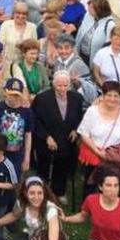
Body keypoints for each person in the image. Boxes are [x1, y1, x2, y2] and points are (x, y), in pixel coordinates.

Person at [77, 81, 120, 197]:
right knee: (90, 186)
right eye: (109, 95)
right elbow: (84, 134)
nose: (112, 99)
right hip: (93, 155)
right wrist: (99, 152)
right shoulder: (92, 111)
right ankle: (88, 210)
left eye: (116, 96)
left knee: (110, 187)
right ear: (103, 96)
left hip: (113, 158)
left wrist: (116, 154)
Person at [31, 71, 84, 201]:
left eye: (65, 85)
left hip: (66, 139)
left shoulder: (76, 98)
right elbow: (35, 120)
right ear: (53, 84)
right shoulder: (42, 98)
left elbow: (80, 117)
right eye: (59, 85)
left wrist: (76, 130)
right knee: (43, 166)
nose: (62, 88)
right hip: (46, 139)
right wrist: (47, 137)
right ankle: (42, 192)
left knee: (62, 165)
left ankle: (59, 191)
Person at [0, 78, 33, 175]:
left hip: (16, 153)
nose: (13, 98)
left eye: (16, 95)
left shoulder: (27, 111)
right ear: (5, 92)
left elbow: (28, 135)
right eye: (10, 94)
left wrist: (27, 157)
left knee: (13, 180)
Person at [75, 0, 115, 65]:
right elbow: (80, 33)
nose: (89, 9)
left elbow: (109, 46)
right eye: (89, 7)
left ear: (100, 9)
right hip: (81, 55)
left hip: (96, 60)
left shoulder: (110, 24)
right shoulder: (88, 15)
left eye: (92, 8)